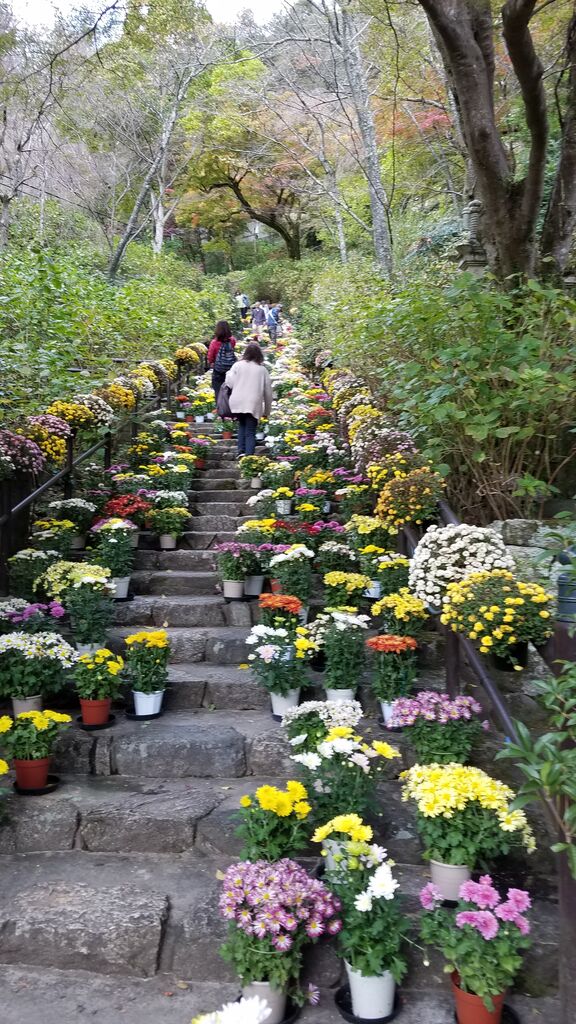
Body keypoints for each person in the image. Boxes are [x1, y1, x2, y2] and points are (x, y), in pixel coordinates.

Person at [225, 341, 272, 456]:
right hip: (253, 402)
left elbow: (229, 383)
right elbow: (268, 392)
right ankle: (249, 456)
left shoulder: (237, 365)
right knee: (250, 430)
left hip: (237, 400)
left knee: (242, 425)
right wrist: (267, 411)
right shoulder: (262, 370)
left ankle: (241, 451)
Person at [207, 320, 237, 400]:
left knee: (218, 391)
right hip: (230, 369)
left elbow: (210, 357)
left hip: (218, 370)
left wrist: (212, 363)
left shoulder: (214, 342)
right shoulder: (232, 340)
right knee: (230, 389)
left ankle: (220, 406)